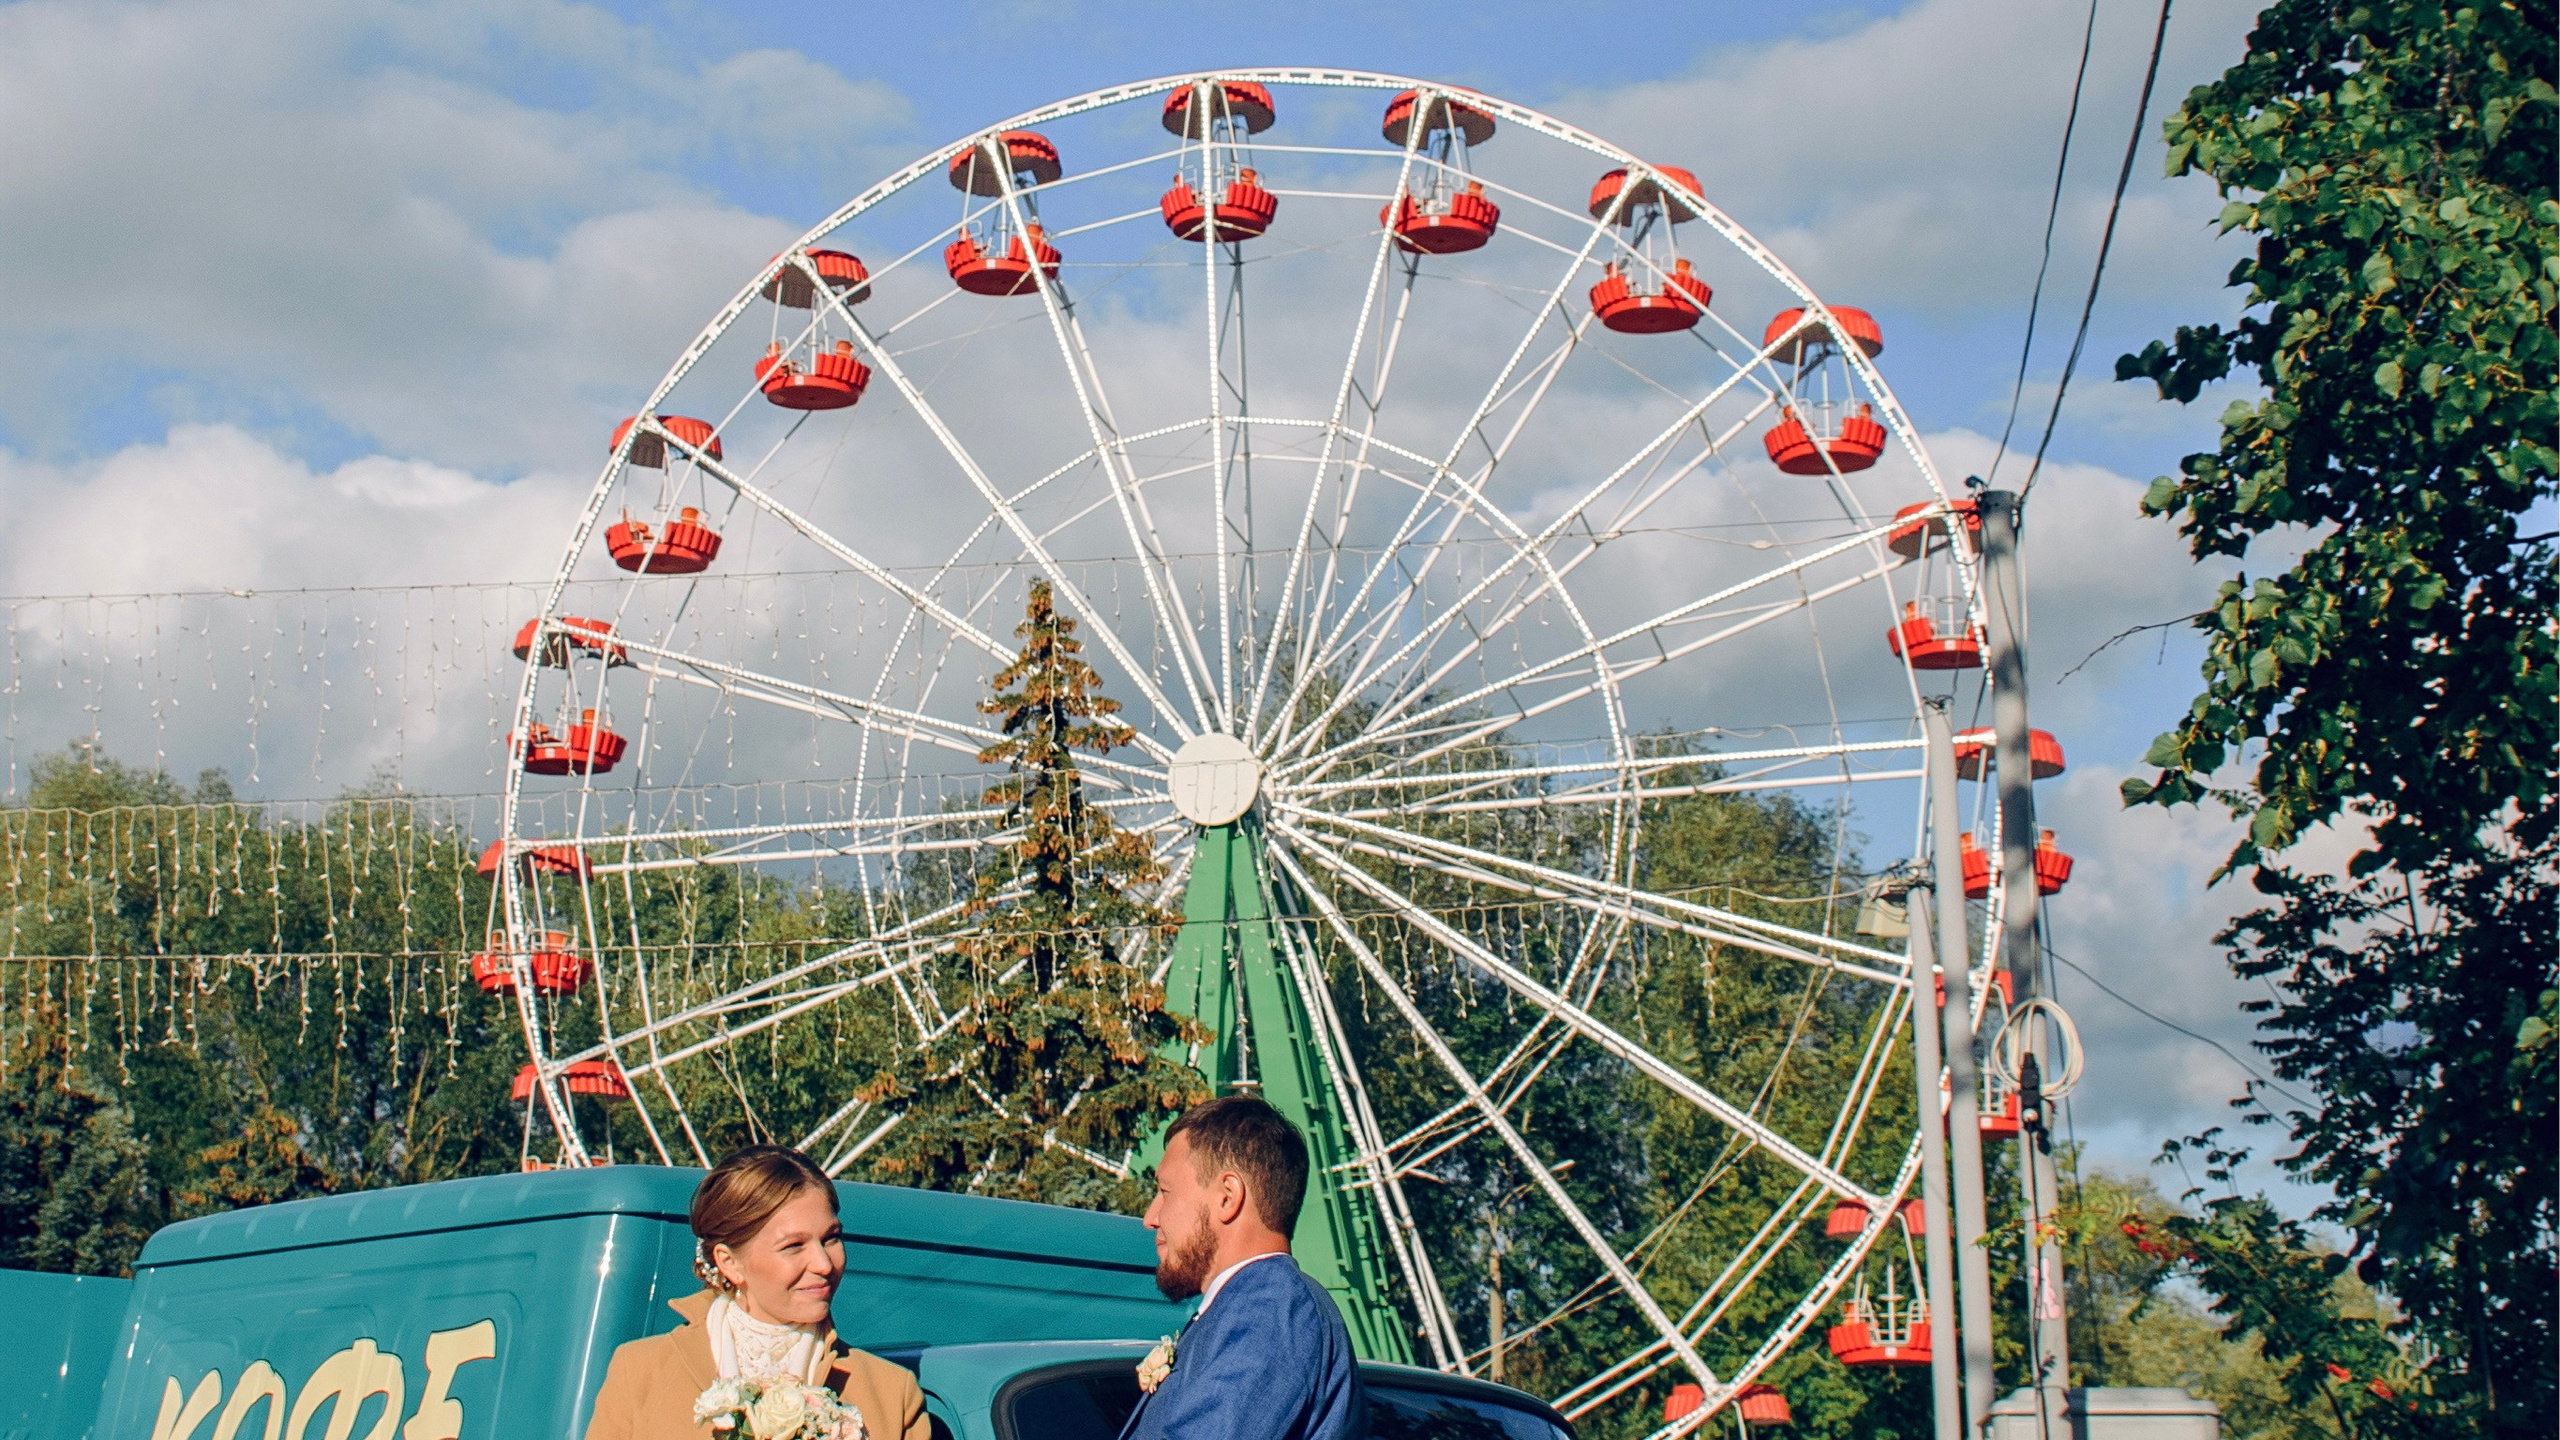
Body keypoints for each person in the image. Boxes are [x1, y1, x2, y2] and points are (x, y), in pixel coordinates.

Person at [585, 1145, 930, 1440]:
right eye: (794, 1246)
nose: (824, 1264)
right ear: (729, 1263)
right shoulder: (641, 1371)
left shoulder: (892, 1393)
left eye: (831, 1238)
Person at [1119, 1096, 1363, 1440]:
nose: (1151, 1218)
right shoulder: (1257, 1304)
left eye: (1165, 1191)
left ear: (1227, 1197)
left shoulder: (1270, 1309)